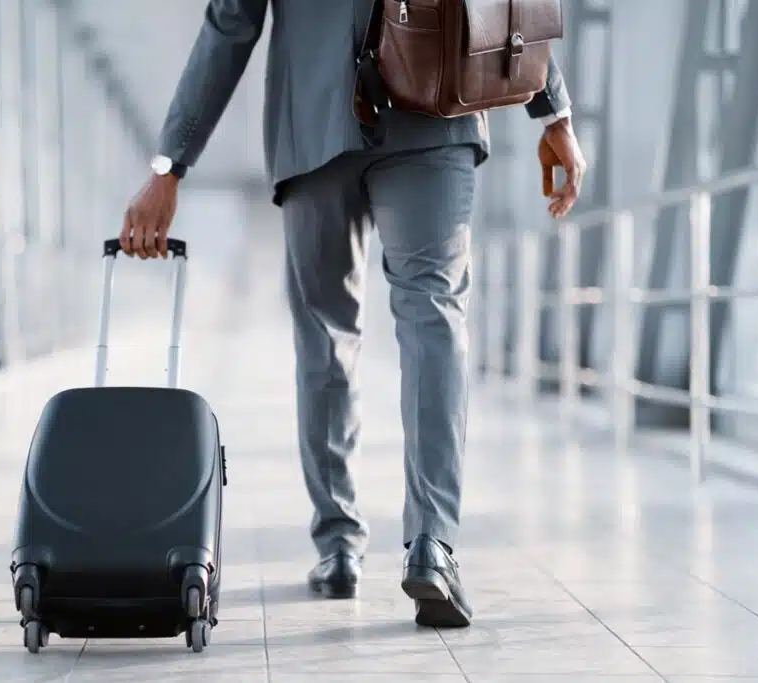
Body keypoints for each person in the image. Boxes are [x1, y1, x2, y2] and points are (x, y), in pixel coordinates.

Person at [120, 1, 587, 628]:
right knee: (434, 319)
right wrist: (551, 107)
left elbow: (232, 23)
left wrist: (170, 164)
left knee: (325, 336)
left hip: (315, 124)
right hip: (435, 111)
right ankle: (433, 545)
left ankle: (338, 544)